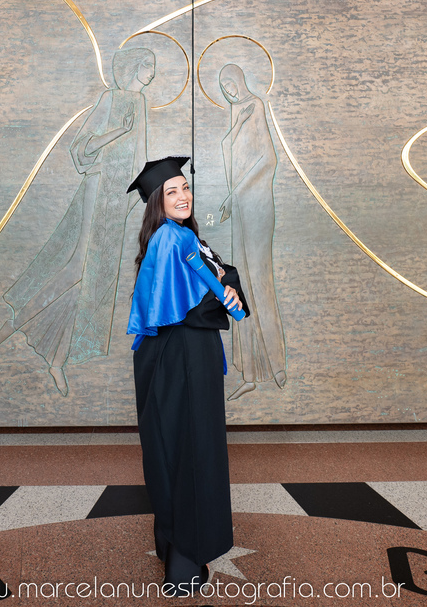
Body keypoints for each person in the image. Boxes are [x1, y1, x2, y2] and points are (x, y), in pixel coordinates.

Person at [0, 49, 155, 395]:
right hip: (98, 185)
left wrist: (135, 198)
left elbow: (140, 158)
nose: (152, 72)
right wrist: (115, 134)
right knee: (79, 267)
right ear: (133, 67)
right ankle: (12, 325)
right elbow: (81, 148)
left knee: (91, 283)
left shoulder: (139, 102)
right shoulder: (112, 98)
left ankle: (57, 360)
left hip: (119, 197)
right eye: (148, 64)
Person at [126, 156, 248, 594]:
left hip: (178, 360)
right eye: (171, 191)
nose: (182, 196)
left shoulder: (187, 239)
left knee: (175, 449)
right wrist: (219, 297)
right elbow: (175, 310)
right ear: (157, 203)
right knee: (190, 452)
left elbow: (217, 286)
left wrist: (227, 288)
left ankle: (174, 550)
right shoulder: (169, 240)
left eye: (185, 188)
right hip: (182, 361)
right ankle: (183, 567)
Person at [218, 63, 287, 399]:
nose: (229, 91)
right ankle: (249, 371)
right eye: (223, 87)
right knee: (239, 282)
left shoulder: (255, 106)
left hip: (257, 205)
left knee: (259, 279)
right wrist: (232, 197)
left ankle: (275, 364)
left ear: (241, 80)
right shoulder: (235, 114)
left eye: (231, 83)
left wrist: (237, 191)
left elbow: (267, 158)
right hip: (240, 208)